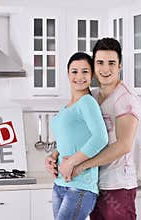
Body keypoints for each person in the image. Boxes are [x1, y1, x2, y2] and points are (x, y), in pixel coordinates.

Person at [46, 38, 141, 220]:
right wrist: (56, 155)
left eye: (111, 63)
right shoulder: (93, 96)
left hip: (117, 185)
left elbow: (123, 145)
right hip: (95, 183)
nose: (105, 69)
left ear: (120, 65)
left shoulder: (126, 99)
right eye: (100, 63)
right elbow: (81, 136)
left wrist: (80, 165)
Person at [48, 52, 108, 220]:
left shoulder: (87, 102)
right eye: (74, 71)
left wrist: (71, 163)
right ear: (68, 74)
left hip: (80, 186)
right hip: (60, 184)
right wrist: (52, 157)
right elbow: (67, 141)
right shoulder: (66, 108)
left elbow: (100, 138)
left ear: (92, 76)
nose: (79, 77)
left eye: (85, 72)